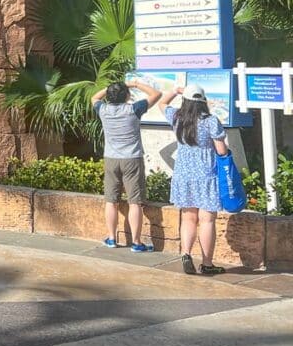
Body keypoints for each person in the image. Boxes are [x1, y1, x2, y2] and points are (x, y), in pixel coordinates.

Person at [157, 84, 230, 275]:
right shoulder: (211, 121)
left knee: (188, 218)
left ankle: (186, 254)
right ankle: (206, 263)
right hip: (207, 175)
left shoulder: (176, 118)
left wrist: (175, 90)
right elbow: (222, 150)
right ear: (203, 101)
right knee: (207, 220)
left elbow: (162, 103)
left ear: (185, 101)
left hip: (183, 175)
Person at [91, 79, 162, 252]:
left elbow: (94, 97)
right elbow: (156, 94)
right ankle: (136, 242)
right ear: (127, 96)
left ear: (109, 97)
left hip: (111, 158)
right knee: (135, 202)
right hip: (132, 159)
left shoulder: (103, 110)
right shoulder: (134, 109)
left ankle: (111, 238)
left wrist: (109, 89)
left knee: (111, 200)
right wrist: (135, 84)